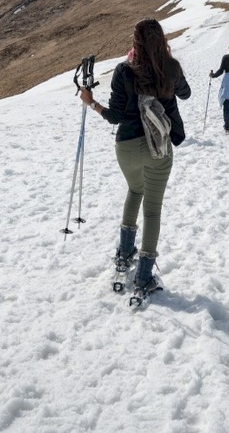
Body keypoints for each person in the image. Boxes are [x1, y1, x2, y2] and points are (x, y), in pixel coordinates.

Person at [80, 18, 191, 293]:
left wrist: (91, 102)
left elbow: (115, 116)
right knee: (152, 211)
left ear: (135, 42)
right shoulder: (170, 67)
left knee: (134, 191)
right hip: (159, 148)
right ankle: (143, 277)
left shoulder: (124, 71)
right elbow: (186, 94)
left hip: (126, 146)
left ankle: (124, 255)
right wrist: (171, 70)